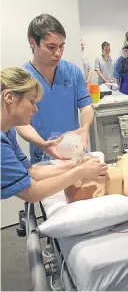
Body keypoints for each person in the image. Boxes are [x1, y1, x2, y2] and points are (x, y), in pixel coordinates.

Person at [1, 67, 107, 203]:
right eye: (32, 101)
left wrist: (77, 164)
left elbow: (32, 172)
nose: (35, 109)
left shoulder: (8, 132)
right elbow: (32, 193)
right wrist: (79, 172)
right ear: (9, 97)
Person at [17, 14, 94, 164]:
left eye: (61, 46)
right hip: (44, 157)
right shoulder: (23, 79)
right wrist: (42, 144)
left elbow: (86, 108)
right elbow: (21, 124)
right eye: (51, 47)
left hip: (75, 152)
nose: (58, 53)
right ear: (33, 43)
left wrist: (85, 128)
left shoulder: (72, 72)